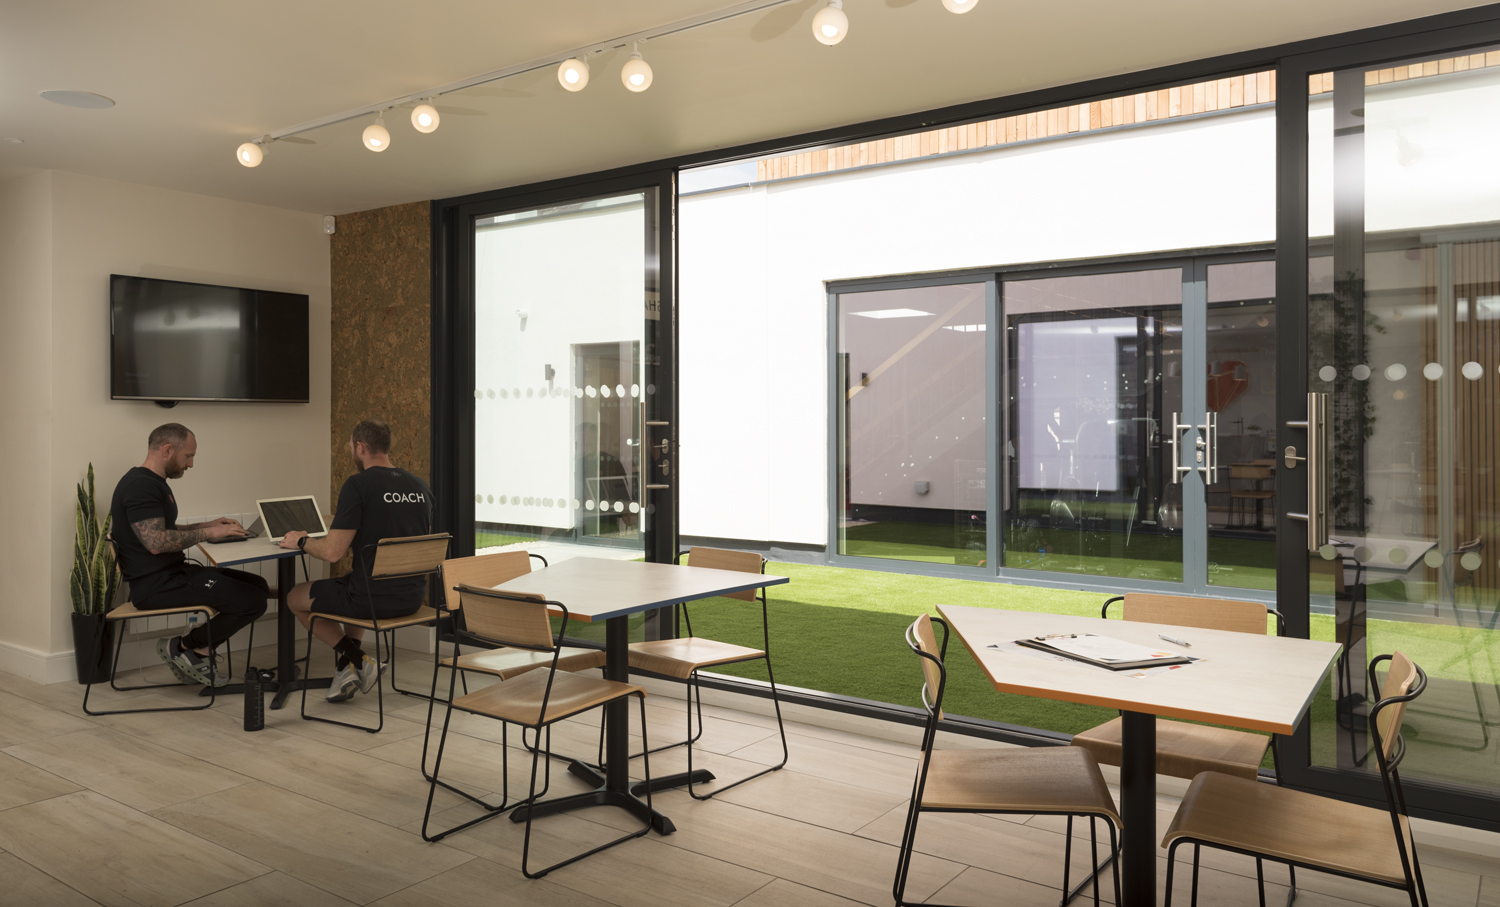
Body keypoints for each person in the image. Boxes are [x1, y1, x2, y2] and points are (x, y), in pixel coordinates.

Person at [281, 420, 434, 702]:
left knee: (294, 597)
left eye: (351, 446)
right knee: (357, 578)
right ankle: (345, 670)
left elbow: (332, 553)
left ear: (360, 448)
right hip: (413, 597)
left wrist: (301, 541)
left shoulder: (358, 485)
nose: (350, 450)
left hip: (370, 602)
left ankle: (361, 660)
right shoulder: (419, 486)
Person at [110, 423, 266, 687]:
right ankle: (186, 647)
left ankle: (194, 649)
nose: (191, 464)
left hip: (173, 574)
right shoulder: (141, 487)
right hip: (155, 586)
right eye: (188, 456)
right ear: (168, 450)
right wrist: (209, 534)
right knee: (251, 600)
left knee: (258, 586)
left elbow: (163, 531)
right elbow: (156, 542)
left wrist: (207, 526)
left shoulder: (152, 483)